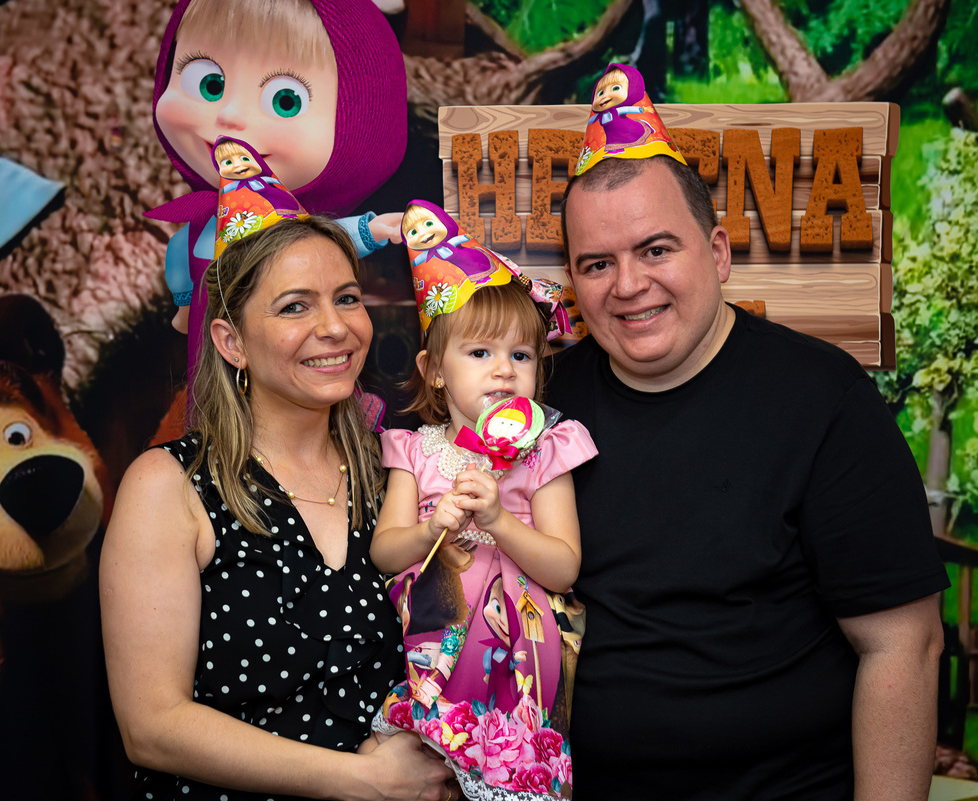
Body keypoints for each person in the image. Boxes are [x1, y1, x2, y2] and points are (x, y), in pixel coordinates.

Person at [545, 63, 950, 801]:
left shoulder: (823, 399)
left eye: (656, 249)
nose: (628, 285)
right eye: (597, 264)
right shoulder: (543, 406)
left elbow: (903, 645)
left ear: (719, 252)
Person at [100, 212, 454, 801]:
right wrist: (364, 780)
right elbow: (152, 727)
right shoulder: (171, 485)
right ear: (231, 342)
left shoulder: (399, 474)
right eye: (295, 307)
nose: (335, 327)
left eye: (347, 298)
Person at [368, 203, 596, 799]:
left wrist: (498, 520)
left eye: (521, 355)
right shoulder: (415, 450)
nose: (504, 371)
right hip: (436, 650)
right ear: (434, 370)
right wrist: (429, 531)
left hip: (522, 667)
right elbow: (385, 553)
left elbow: (564, 567)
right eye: (480, 354)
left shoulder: (545, 449)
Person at [146, 0, 407, 380]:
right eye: (209, 84)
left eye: (285, 101)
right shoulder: (202, 225)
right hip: (209, 359)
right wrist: (186, 304)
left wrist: (371, 229)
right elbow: (180, 255)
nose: (230, 116)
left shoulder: (295, 225)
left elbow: (329, 238)